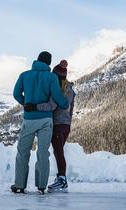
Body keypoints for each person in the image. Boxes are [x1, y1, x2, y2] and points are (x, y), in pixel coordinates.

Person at [10, 52, 69, 194]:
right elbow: (57, 95)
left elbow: (16, 93)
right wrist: (65, 104)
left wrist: (26, 104)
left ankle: (19, 185)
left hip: (29, 119)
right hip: (46, 120)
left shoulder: (24, 75)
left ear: (37, 60)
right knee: (43, 153)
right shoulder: (51, 77)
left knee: (23, 152)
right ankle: (41, 186)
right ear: (49, 63)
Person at [35, 59, 76, 193]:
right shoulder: (70, 90)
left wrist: (35, 107)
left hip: (57, 125)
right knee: (59, 152)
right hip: (66, 125)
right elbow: (71, 109)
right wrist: (68, 121)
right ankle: (61, 178)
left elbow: (51, 106)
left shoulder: (56, 89)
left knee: (58, 153)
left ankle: (62, 180)